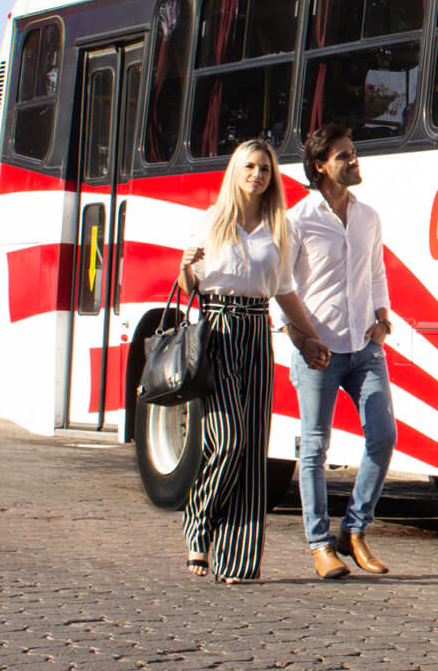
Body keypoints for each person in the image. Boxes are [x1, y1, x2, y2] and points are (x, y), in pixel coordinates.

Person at [179, 139, 330, 584]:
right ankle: (197, 527)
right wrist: (187, 267)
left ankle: (237, 561)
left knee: (252, 450)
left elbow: (284, 291)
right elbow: (190, 284)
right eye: (250, 167)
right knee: (228, 440)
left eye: (264, 169)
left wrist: (310, 336)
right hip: (219, 330)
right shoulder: (213, 221)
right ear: (236, 171)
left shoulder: (277, 226)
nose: (257, 175)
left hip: (256, 330)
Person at [288, 123, 397, 580]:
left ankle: (354, 530)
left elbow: (376, 272)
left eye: (353, 153)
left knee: (383, 436)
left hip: (365, 348)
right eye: (343, 156)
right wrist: (301, 337)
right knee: (315, 448)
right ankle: (319, 544)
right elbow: (283, 284)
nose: (354, 160)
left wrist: (383, 316)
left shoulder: (368, 216)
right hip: (320, 351)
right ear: (320, 166)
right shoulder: (298, 219)